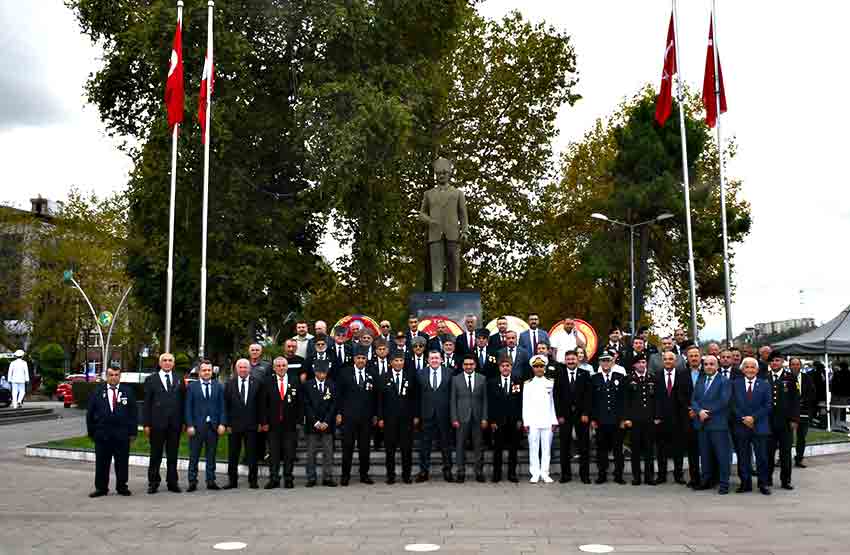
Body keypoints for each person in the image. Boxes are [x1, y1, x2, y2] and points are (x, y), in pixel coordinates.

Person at [418, 156, 469, 292]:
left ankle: (454, 294)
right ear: (436, 175)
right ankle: (437, 294)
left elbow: (463, 214)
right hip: (435, 235)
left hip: (453, 235)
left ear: (449, 174)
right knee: (436, 267)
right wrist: (430, 221)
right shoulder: (428, 194)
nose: (441, 176)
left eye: (444, 173)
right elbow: (421, 214)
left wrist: (464, 231)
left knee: (454, 266)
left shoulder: (458, 194)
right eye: (438, 173)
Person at [86, 363, 137, 497]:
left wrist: (132, 433)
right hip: (102, 435)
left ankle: (122, 486)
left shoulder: (128, 391)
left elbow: (133, 414)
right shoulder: (97, 391)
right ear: (106, 376)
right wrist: (92, 433)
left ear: (120, 376)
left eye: (116, 375)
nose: (113, 378)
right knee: (102, 463)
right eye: (111, 375)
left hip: (122, 435)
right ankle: (101, 488)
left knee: (122, 462)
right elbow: (90, 414)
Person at [143, 352, 184, 494]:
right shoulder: (151, 380)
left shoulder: (179, 379)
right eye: (164, 360)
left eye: (170, 360)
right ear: (160, 363)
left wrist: (183, 422)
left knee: (173, 455)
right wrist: (146, 424)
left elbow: (182, 402)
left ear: (173, 363)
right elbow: (147, 403)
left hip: (175, 424)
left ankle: (172, 482)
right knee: (156, 455)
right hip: (157, 424)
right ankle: (153, 482)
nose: (167, 362)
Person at [691, 354, 732, 494]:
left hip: (718, 424)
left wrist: (706, 412)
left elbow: (724, 401)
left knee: (722, 455)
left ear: (717, 366)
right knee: (705, 454)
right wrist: (699, 411)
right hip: (702, 424)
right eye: (706, 364)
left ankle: (724, 483)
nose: (708, 366)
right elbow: (694, 399)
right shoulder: (701, 380)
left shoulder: (724, 381)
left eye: (712, 364)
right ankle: (706, 480)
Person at [336, 348, 378, 486]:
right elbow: (339, 395)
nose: (361, 360)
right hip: (348, 417)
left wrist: (375, 415)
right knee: (347, 447)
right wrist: (339, 413)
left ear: (366, 360)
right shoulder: (344, 373)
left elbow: (375, 397)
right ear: (354, 359)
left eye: (363, 358)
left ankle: (364, 474)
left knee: (364, 448)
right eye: (358, 358)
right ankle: (345, 475)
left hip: (366, 418)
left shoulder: (372, 373)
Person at [731, 357, 772, 495]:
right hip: (741, 425)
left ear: (757, 370)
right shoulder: (735, 384)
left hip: (759, 426)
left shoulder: (765, 384)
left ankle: (763, 484)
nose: (750, 370)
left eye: (752, 367)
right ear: (742, 369)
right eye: (747, 367)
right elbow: (732, 404)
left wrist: (753, 418)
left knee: (762, 457)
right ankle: (745, 483)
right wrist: (743, 418)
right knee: (743, 456)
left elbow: (767, 405)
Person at [184, 360, 225, 492]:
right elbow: (188, 407)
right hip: (196, 427)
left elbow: (222, 407)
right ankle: (192, 481)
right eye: (204, 370)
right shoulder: (192, 387)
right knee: (194, 455)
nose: (207, 372)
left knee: (211, 455)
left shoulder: (218, 386)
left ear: (212, 371)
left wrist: (222, 423)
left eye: (209, 370)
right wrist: (189, 425)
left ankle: (211, 480)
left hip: (213, 427)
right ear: (199, 372)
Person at [378, 351, 418, 484]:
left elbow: (415, 399)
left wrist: (416, 415)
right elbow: (380, 400)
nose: (399, 363)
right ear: (390, 363)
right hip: (390, 419)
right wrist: (381, 418)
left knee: (407, 449)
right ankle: (391, 475)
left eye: (401, 361)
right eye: (396, 360)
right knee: (390, 449)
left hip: (406, 419)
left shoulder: (410, 376)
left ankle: (406, 475)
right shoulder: (383, 377)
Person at [553, 350, 592, 484]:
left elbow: (589, 396)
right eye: (568, 359)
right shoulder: (559, 374)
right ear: (565, 361)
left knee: (584, 446)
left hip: (582, 416)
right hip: (565, 416)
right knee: (565, 446)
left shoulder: (585, 374)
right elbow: (556, 397)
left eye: (573, 359)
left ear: (578, 360)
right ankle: (565, 475)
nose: (570, 361)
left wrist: (586, 413)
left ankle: (584, 475)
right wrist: (559, 415)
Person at [262, 357, 300, 489]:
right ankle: (274, 478)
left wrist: (299, 420)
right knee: (274, 453)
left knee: (289, 453)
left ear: (287, 367)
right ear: (273, 368)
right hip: (273, 425)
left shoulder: (295, 381)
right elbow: (263, 404)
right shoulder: (267, 382)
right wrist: (264, 422)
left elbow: (300, 402)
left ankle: (288, 478)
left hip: (290, 424)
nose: (281, 368)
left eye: (283, 365)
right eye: (278, 366)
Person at [415, 350, 454, 483]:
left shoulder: (450, 373)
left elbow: (452, 396)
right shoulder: (420, 373)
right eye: (432, 358)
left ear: (441, 359)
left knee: (446, 444)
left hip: (444, 414)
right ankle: (423, 471)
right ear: (428, 360)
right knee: (425, 444)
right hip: (426, 414)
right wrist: (417, 415)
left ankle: (447, 470)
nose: (434, 360)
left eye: (437, 358)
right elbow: (417, 397)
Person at [223, 359, 261, 489]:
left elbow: (261, 406)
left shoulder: (257, 383)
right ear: (236, 369)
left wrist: (261, 422)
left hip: (252, 425)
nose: (243, 370)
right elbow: (226, 406)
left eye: (245, 367)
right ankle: (232, 481)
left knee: (252, 454)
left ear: (249, 369)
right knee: (233, 454)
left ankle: (253, 480)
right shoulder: (229, 384)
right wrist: (227, 423)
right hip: (234, 426)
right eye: (240, 367)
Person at [590, 350, 626, 484]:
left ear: (612, 362)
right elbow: (591, 401)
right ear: (599, 363)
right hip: (601, 420)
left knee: (618, 450)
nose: (606, 363)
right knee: (601, 450)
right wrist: (593, 419)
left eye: (608, 360)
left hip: (617, 420)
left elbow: (624, 400)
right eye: (603, 360)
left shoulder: (620, 377)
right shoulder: (594, 378)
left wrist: (623, 419)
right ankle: (602, 474)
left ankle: (619, 475)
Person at [451, 355, 488, 483]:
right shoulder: (456, 379)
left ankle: (479, 471)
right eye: (466, 364)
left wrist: (484, 418)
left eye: (471, 364)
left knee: (478, 446)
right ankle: (460, 472)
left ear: (475, 365)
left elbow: (485, 401)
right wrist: (454, 418)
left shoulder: (482, 379)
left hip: (478, 418)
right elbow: (453, 400)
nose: (468, 366)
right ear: (462, 366)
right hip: (461, 418)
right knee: (460, 446)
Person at [654, 351, 690, 484]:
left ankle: (678, 475)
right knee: (661, 449)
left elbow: (686, 397)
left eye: (671, 359)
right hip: (661, 419)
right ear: (662, 361)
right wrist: (656, 416)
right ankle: (661, 475)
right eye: (665, 359)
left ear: (675, 361)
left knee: (678, 449)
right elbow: (655, 399)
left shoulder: (683, 376)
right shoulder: (656, 376)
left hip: (678, 418)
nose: (668, 361)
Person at [766, 352, 799, 490]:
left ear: (782, 362)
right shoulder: (764, 377)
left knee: (785, 453)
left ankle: (786, 480)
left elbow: (796, 400)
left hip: (785, 422)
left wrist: (794, 419)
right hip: (768, 422)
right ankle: (767, 479)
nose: (774, 363)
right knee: (768, 453)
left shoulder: (790, 377)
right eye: (772, 361)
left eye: (777, 360)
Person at [488, 354, 523, 483]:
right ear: (499, 368)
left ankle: (512, 474)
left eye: (507, 366)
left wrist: (520, 419)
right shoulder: (492, 382)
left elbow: (521, 402)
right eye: (503, 366)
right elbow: (490, 403)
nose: (505, 368)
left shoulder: (518, 381)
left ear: (511, 367)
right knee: (497, 449)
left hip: (514, 422)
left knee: (513, 450)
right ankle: (496, 474)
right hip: (498, 422)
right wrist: (492, 420)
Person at [523, 355, 558, 483]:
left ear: (545, 367)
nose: (539, 369)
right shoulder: (528, 384)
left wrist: (554, 420)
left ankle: (545, 473)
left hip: (547, 420)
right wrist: (526, 421)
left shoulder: (551, 382)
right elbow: (525, 404)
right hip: (533, 420)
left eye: (541, 366)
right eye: (536, 366)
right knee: (533, 448)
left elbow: (553, 403)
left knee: (546, 448)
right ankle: (535, 473)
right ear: (532, 368)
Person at [303, 359, 337, 487]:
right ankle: (311, 477)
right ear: (315, 372)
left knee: (328, 452)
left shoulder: (332, 385)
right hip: (312, 424)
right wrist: (316, 422)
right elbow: (306, 405)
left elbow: (334, 405)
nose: (322, 374)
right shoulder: (307, 385)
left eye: (324, 372)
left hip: (327, 425)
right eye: (319, 372)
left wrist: (327, 421)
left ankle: (327, 477)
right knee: (311, 452)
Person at [683, 345, 703, 487]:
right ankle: (694, 477)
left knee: (708, 449)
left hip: (705, 416)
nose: (694, 358)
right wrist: (689, 409)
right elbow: (679, 395)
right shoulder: (681, 374)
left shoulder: (708, 371)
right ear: (687, 358)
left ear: (700, 357)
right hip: (689, 417)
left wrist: (699, 410)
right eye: (691, 356)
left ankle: (709, 476)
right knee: (692, 450)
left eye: (696, 355)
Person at [791, 357, 816, 468]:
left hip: (804, 411)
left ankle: (799, 459)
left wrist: (802, 401)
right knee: (787, 437)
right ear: (790, 366)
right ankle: (783, 458)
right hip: (789, 413)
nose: (795, 366)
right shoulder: (785, 378)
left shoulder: (807, 378)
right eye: (793, 364)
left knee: (801, 437)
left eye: (797, 364)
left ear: (800, 366)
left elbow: (812, 393)